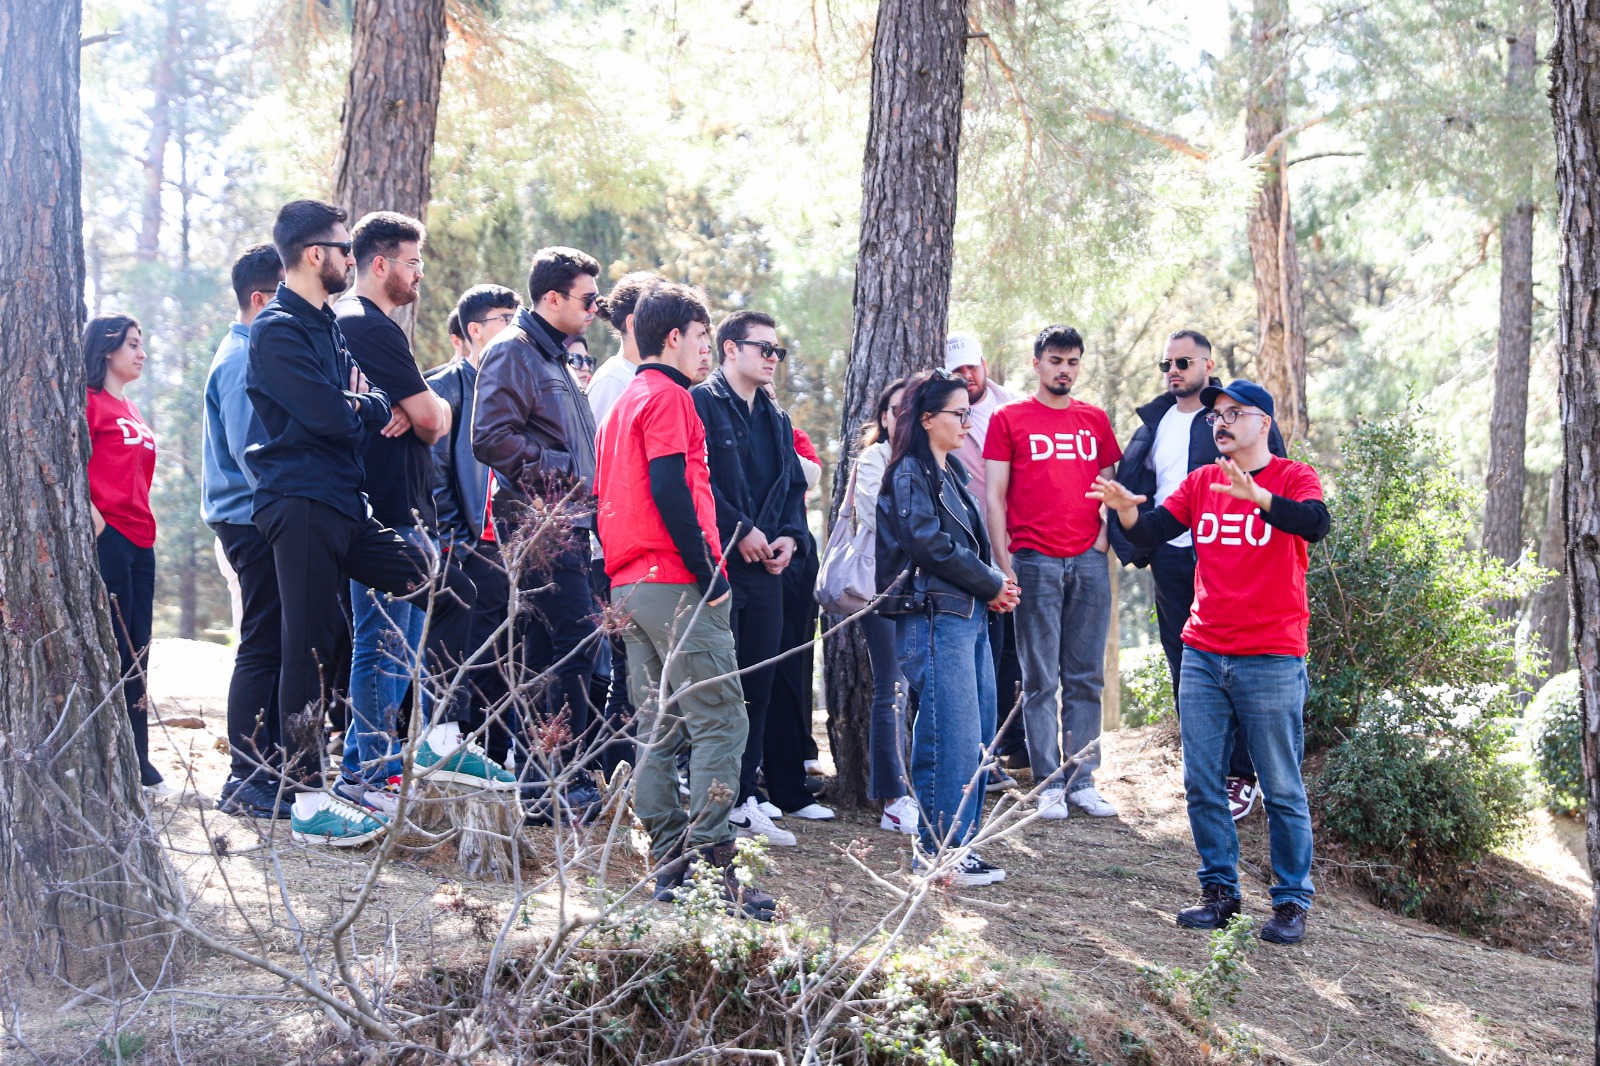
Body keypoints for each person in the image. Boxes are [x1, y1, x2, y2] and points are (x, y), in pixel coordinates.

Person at [247, 198, 471, 846]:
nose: (352, 259)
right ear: (318, 255)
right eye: (346, 249)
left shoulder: (325, 325)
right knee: (308, 645)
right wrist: (374, 409)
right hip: (300, 503)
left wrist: (364, 404)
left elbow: (350, 404)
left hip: (347, 507)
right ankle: (309, 798)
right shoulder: (279, 328)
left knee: (442, 582)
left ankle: (433, 737)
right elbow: (328, 415)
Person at [1089, 380, 1328, 947]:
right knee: (1201, 781)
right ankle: (1219, 892)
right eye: (1215, 415)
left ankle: (1291, 902)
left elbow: (1314, 523)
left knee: (1281, 786)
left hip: (1271, 655)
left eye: (1232, 414)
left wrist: (1261, 500)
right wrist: (1124, 512)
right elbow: (1151, 532)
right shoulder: (1201, 482)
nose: (1219, 422)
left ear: (1263, 422)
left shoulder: (1293, 478)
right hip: (1203, 651)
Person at [594, 281, 777, 919]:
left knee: (659, 727)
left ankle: (671, 867)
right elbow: (672, 487)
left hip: (628, 584)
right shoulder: (670, 397)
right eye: (703, 339)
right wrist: (710, 573)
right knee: (721, 719)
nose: (707, 351)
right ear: (675, 338)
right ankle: (711, 871)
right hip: (674, 581)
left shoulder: (623, 402)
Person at [335, 211, 500, 816]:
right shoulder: (367, 326)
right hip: (383, 509)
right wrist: (418, 410)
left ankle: (377, 770)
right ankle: (365, 776)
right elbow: (433, 419)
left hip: (394, 507)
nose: (419, 274)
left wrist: (421, 409)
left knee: (398, 646)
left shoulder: (357, 324)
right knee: (381, 645)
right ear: (379, 264)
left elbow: (434, 415)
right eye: (411, 262)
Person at [1106, 330, 1286, 821]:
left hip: (1228, 560)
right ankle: (1205, 769)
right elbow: (1140, 486)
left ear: (1208, 364)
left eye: (1183, 361)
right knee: (1185, 664)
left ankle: (1241, 776)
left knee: (1240, 664)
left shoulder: (1235, 415)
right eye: (1166, 363)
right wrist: (1131, 531)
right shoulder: (1155, 422)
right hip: (1169, 554)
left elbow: (1273, 475)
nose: (1173, 371)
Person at [472, 246, 605, 815]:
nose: (596, 309)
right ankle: (556, 778)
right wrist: (566, 473)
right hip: (536, 523)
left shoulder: (555, 358)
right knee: (572, 643)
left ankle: (539, 781)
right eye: (587, 299)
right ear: (552, 299)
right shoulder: (516, 353)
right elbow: (489, 437)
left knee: (548, 650)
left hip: (567, 523)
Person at [875, 370, 1021, 887]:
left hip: (968, 616)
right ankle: (937, 852)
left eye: (968, 412)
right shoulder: (911, 471)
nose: (967, 421)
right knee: (949, 732)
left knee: (977, 732)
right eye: (958, 413)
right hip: (935, 616)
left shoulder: (952, 472)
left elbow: (965, 545)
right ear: (928, 417)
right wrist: (990, 581)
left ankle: (962, 845)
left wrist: (993, 587)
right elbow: (927, 543)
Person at [692, 311, 822, 846]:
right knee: (715, 694)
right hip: (715, 568)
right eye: (762, 348)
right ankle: (710, 802)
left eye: (777, 351)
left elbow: (792, 489)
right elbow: (694, 480)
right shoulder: (701, 403)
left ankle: (745, 797)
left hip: (768, 572)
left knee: (759, 686)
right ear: (728, 349)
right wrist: (738, 530)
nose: (772, 358)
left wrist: (790, 536)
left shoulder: (777, 417)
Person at [984, 325, 1122, 820]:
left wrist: (1102, 541)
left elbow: (1110, 484)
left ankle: (1083, 779)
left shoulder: (1094, 419)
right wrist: (1005, 563)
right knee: (1039, 678)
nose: (1065, 370)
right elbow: (994, 497)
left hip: (1087, 559)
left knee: (1085, 677)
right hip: (1034, 560)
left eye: (1073, 362)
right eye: (1056, 360)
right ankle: (1047, 784)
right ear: (1037, 362)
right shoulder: (1009, 418)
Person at [203, 243, 290, 817]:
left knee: (280, 641)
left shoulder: (255, 352)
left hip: (262, 516)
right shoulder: (241, 360)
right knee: (261, 643)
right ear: (260, 299)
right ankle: (247, 775)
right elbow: (250, 452)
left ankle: (274, 767)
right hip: (249, 519)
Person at [428, 285, 521, 772]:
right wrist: (457, 544)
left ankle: (496, 756)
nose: (515, 327)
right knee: (458, 659)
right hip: (464, 550)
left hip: (511, 549)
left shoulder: (513, 389)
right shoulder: (443, 388)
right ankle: (451, 754)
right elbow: (433, 472)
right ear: (474, 331)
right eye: (506, 318)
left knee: (504, 661)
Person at [84, 312, 166, 795]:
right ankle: (116, 758)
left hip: (141, 539)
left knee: (138, 649)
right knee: (116, 647)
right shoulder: (89, 403)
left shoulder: (130, 408)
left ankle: (139, 757)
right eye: (133, 344)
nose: (141, 353)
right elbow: (63, 462)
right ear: (108, 349)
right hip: (109, 536)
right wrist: (94, 518)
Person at [945, 331, 1025, 786]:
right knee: (984, 651)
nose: (966, 376)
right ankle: (985, 750)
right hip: (970, 545)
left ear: (984, 365)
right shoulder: (945, 411)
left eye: (971, 367)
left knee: (1017, 650)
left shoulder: (1010, 406)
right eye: (957, 371)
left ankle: (1015, 743)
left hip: (1018, 538)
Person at [852, 378, 917, 835]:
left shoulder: (933, 461)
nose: (901, 418)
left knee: (921, 691)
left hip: (930, 589)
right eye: (894, 410)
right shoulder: (874, 459)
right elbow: (879, 517)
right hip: (881, 588)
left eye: (909, 410)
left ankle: (923, 787)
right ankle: (894, 797)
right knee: (891, 689)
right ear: (883, 417)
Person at [586, 271, 662, 427]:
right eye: (661, 316)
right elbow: (593, 447)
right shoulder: (613, 379)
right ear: (633, 323)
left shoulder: (645, 374)